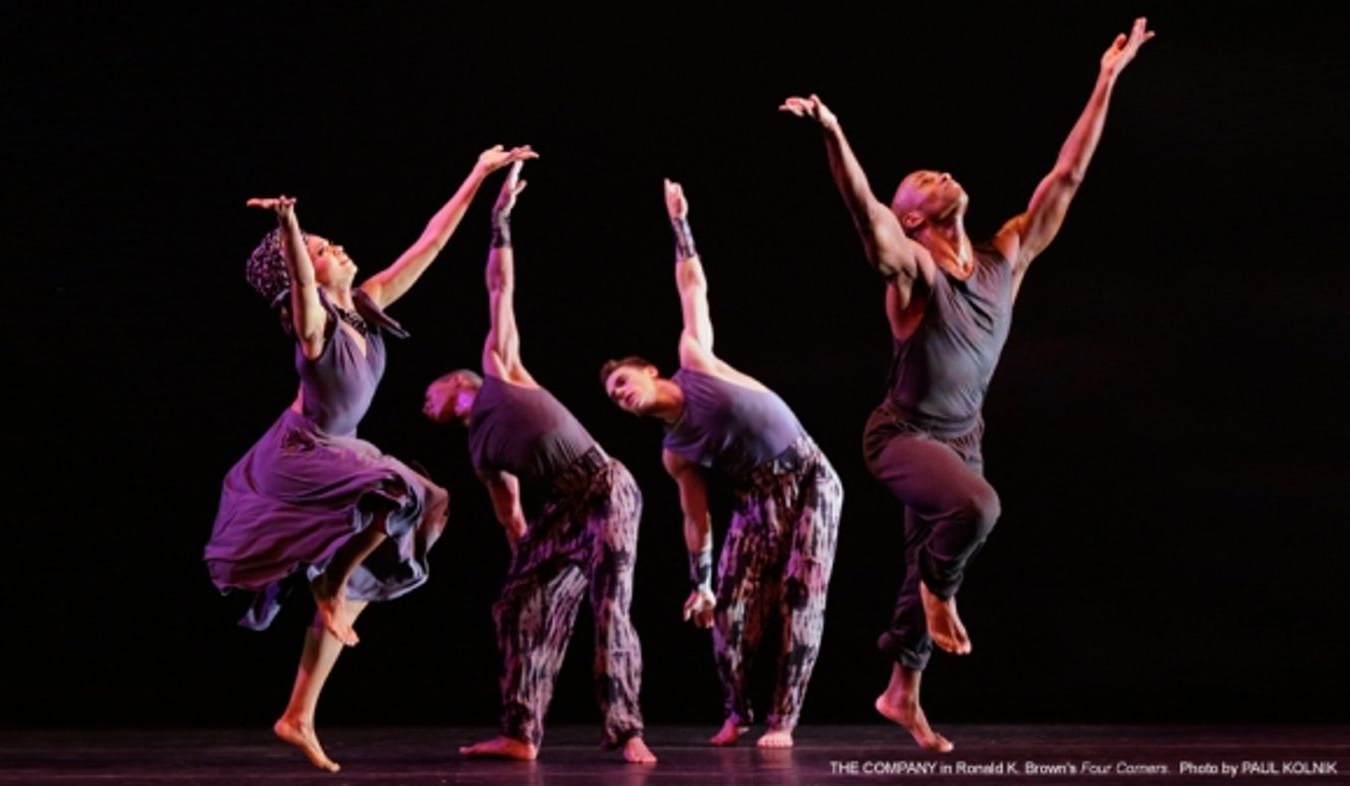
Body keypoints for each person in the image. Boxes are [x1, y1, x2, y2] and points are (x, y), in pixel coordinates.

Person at [780, 17, 1155, 752]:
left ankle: (901, 693)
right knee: (975, 512)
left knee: (927, 558)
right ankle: (940, 593)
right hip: (902, 436)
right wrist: (833, 133)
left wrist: (1106, 79)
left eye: (938, 171)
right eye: (923, 180)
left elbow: (1066, 178)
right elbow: (866, 218)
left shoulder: (1005, 257)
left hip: (963, 437)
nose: (941, 173)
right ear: (912, 216)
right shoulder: (913, 274)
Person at [204, 144, 536, 772]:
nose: (339, 251)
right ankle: (329, 584)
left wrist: (478, 174)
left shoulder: (365, 305)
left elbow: (429, 246)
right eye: (328, 249)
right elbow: (301, 280)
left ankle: (298, 712)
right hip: (303, 454)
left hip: (344, 450)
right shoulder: (314, 327)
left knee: (420, 509)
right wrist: (290, 225)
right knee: (399, 491)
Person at [423, 162, 656, 764]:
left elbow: (500, 289)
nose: (425, 407)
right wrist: (538, 571)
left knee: (610, 602)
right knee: (514, 602)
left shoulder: (502, 371)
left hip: (604, 487)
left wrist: (499, 220)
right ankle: (521, 732)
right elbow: (512, 519)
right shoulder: (478, 452)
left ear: (457, 384)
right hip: (561, 510)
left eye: (430, 395)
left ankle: (627, 730)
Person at [601, 179, 844, 749]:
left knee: (801, 596)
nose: (620, 394)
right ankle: (739, 713)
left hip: (809, 477)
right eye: (613, 398)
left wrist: (680, 224)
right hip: (757, 497)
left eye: (621, 382)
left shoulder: (695, 359)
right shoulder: (675, 454)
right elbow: (697, 522)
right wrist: (702, 584)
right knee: (729, 615)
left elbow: (693, 287)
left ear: (650, 372)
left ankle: (783, 722)